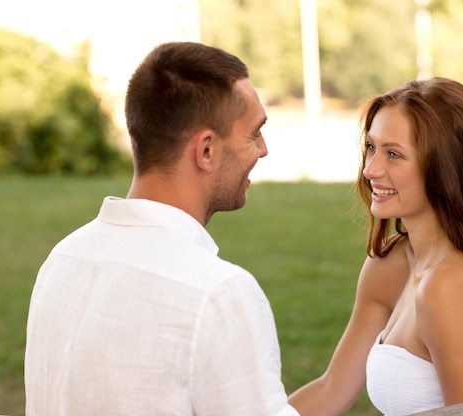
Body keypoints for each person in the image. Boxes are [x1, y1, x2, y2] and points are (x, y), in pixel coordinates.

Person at [25, 42, 299, 416]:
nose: (263, 150)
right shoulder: (217, 295)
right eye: (254, 134)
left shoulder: (62, 260)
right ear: (206, 151)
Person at [288, 77, 463, 415]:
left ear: (446, 168)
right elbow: (331, 390)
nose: (370, 169)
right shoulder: (391, 264)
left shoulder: (449, 287)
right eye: (371, 147)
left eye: (394, 154)